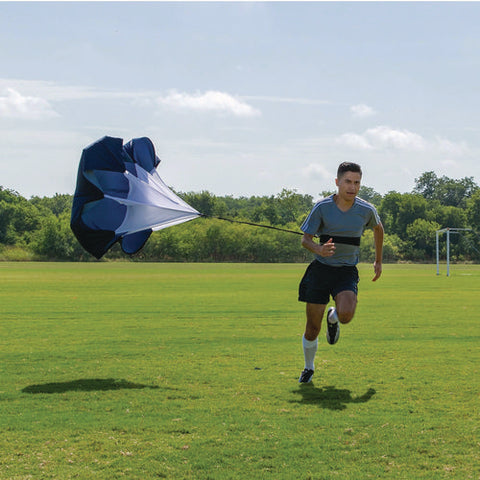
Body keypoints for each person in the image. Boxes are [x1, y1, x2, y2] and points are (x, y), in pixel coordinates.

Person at [298, 162, 384, 383]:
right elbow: (305, 240)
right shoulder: (322, 208)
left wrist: (378, 260)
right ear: (337, 182)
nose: (352, 187)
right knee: (312, 328)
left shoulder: (366, 210)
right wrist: (319, 248)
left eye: (357, 182)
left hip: (346, 270)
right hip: (320, 270)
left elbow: (378, 228)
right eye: (348, 181)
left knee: (346, 316)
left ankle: (333, 317)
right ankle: (308, 367)